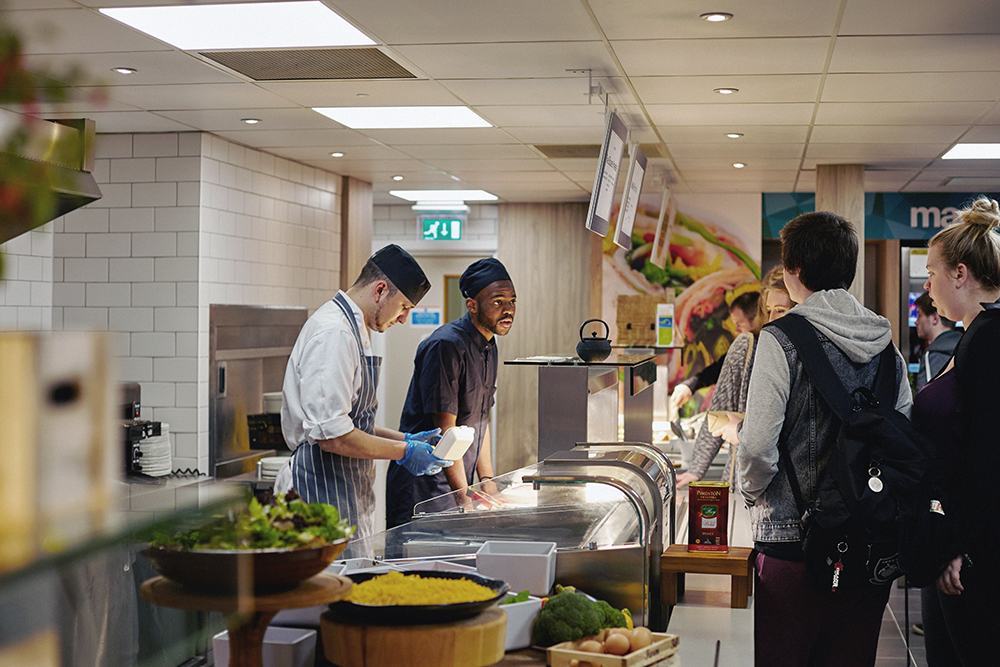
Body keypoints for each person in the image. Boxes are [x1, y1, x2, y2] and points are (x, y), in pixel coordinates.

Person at [735, 212, 912, 667]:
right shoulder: (887, 343)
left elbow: (756, 446)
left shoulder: (781, 338)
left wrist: (752, 494)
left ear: (793, 272)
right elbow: (902, 437)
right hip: (870, 545)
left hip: (792, 545)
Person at [276, 244, 452, 544]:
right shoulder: (335, 333)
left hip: (343, 488)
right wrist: (404, 453)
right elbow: (333, 435)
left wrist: (403, 438)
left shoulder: (354, 329)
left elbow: (350, 423)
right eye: (404, 308)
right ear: (380, 290)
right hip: (319, 488)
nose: (403, 319)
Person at [914, 196, 1000, 666]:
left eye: (932, 273)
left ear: (960, 274)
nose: (927, 287)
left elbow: (985, 457)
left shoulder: (986, 339)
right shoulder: (973, 334)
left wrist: (958, 546)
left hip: (975, 552)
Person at [385, 258, 516, 528]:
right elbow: (448, 430)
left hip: (458, 483)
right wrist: (464, 496)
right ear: (471, 305)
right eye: (497, 302)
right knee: (418, 565)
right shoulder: (446, 346)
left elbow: (481, 420)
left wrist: (488, 482)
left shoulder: (489, 345)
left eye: (512, 301)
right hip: (426, 487)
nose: (508, 309)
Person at [675, 268, 791, 489]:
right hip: (745, 480)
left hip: (789, 483)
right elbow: (719, 411)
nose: (773, 319)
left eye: (782, 310)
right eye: (769, 311)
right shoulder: (747, 346)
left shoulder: (805, 352)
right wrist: (695, 470)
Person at [667, 289, 762, 415]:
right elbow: (721, 367)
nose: (737, 330)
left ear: (757, 319)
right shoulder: (745, 348)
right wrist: (690, 385)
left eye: (740, 324)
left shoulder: (765, 350)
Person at [912, 291, 962, 390]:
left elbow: (929, 399)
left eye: (919, 315)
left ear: (935, 318)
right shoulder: (966, 345)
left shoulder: (932, 355)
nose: (916, 322)